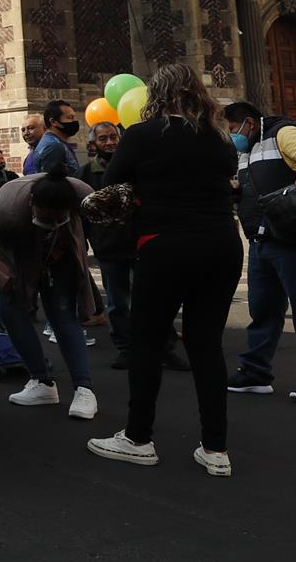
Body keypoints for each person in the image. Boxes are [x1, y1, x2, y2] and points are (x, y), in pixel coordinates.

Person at [86, 66, 245, 476]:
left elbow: (111, 185)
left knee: (147, 340)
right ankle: (216, 449)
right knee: (206, 344)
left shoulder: (142, 134)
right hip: (222, 244)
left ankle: (138, 438)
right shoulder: (220, 137)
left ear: (156, 95)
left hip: (166, 244)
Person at [224, 99, 296, 404]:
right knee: (263, 310)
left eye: (233, 128)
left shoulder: (282, 133)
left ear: (249, 122)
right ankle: (255, 372)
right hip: (262, 240)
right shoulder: (247, 150)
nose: (232, 135)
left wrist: (292, 198)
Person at [0, 171, 100, 420]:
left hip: (61, 254)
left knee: (63, 315)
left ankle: (84, 388)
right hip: (16, 255)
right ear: (32, 203)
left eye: (58, 219)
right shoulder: (5, 209)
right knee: (10, 312)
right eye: (46, 218)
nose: (52, 224)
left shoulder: (85, 196)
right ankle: (41, 381)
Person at [81, 121, 186, 372]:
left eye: (113, 137)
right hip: (108, 246)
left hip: (142, 241)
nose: (109, 142)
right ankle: (126, 349)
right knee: (117, 302)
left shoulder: (135, 165)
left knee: (156, 297)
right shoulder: (85, 173)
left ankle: (165, 348)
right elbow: (82, 210)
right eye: (103, 138)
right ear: (94, 143)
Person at [31, 99, 81, 177]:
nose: (74, 121)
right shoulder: (53, 146)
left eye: (75, 117)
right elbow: (53, 181)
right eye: (70, 117)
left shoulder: (56, 143)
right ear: (53, 122)